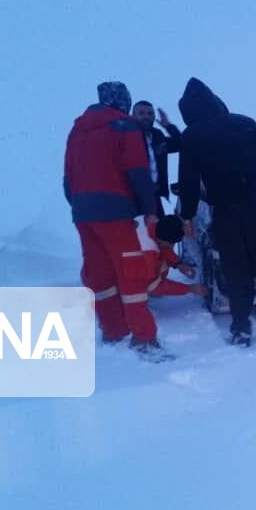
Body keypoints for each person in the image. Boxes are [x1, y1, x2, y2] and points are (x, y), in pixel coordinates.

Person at [175, 77, 256, 347]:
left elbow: (188, 179)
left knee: (236, 268)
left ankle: (241, 326)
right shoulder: (243, 122)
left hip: (226, 212)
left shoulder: (191, 136)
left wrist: (188, 215)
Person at [63, 81, 171, 361]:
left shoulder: (78, 129)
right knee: (131, 272)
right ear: (123, 101)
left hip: (83, 213)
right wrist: (148, 208)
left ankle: (113, 331)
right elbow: (137, 171)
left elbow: (67, 177)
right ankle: (144, 339)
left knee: (99, 273)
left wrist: (80, 206)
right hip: (116, 212)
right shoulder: (125, 126)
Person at [132, 100, 183, 215]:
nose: (146, 116)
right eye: (141, 113)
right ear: (132, 116)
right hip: (134, 197)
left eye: (150, 113)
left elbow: (181, 144)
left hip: (155, 195)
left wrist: (168, 126)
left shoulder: (157, 136)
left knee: (161, 230)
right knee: (140, 232)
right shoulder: (128, 137)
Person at [139, 215, 209, 298]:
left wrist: (178, 264)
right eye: (171, 242)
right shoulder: (148, 253)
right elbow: (153, 287)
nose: (172, 245)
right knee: (151, 281)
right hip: (128, 286)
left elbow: (164, 247)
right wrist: (190, 288)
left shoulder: (152, 225)